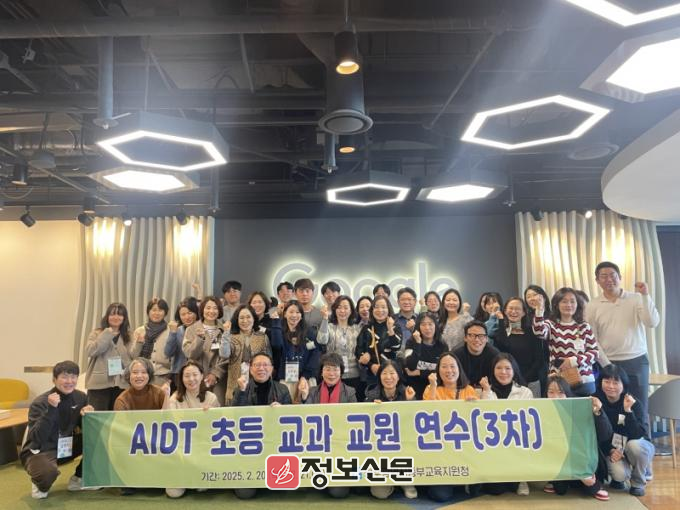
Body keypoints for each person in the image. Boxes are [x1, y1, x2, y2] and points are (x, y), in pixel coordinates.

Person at [586, 261, 660, 424]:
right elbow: (592, 339)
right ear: (597, 280)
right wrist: (607, 365)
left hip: (636, 361)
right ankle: (616, 440)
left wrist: (645, 295)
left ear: (619, 277)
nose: (608, 279)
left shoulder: (636, 298)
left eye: (612, 275)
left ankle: (641, 439)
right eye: (603, 276)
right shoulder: (592, 305)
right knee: (613, 407)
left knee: (638, 404)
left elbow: (652, 322)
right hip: (609, 362)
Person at [21, 361, 95, 499]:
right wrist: (51, 409)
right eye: (64, 377)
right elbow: (37, 437)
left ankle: (78, 478)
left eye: (73, 377)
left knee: (99, 440)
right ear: (54, 379)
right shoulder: (40, 402)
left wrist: (88, 416)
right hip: (41, 450)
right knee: (47, 473)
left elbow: (85, 429)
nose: (69, 381)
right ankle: (40, 484)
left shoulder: (81, 397)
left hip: (65, 446)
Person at [232, 352, 292, 500]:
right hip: (249, 446)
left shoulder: (282, 389)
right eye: (257, 365)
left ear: (272, 369)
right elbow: (235, 417)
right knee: (244, 493)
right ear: (251, 369)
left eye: (265, 365)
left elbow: (292, 422)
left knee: (282, 487)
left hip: (274, 444)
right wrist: (242, 392)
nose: (261, 368)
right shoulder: (241, 388)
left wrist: (282, 411)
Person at [543, 375, 611, 501]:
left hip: (583, 457)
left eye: (560, 392)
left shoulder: (581, 407)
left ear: (567, 393)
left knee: (589, 486)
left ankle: (589, 481)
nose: (555, 396)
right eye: (551, 392)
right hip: (560, 458)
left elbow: (605, 434)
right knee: (560, 490)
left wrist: (598, 411)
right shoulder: (543, 410)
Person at [595, 364, 654, 497]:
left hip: (635, 444)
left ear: (623, 385)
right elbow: (596, 433)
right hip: (613, 448)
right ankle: (619, 479)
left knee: (635, 446)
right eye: (607, 381)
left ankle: (638, 482)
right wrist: (610, 450)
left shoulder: (633, 402)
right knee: (620, 474)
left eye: (616, 382)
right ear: (600, 382)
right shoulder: (596, 401)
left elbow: (638, 434)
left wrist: (628, 411)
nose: (611, 386)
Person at [114, 357, 169, 495]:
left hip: (157, 441)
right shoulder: (122, 399)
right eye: (135, 372)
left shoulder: (159, 393)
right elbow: (121, 429)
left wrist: (167, 396)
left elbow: (168, 419)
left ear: (149, 375)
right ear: (129, 376)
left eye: (143, 372)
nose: (139, 376)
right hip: (133, 442)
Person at [364, 360, 417, 500]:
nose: (388, 377)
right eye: (384, 373)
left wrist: (410, 401)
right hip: (380, 449)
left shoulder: (408, 392)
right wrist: (372, 409)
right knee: (379, 494)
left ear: (399, 376)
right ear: (379, 376)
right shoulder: (371, 395)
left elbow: (415, 422)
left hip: (404, 446)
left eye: (392, 373)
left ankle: (405, 481)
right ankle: (392, 483)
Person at [165, 361, 219, 498]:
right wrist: (165, 397)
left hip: (204, 448)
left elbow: (219, 425)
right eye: (187, 376)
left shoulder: (211, 398)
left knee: (201, 487)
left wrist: (211, 414)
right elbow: (167, 422)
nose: (191, 379)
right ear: (182, 379)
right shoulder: (174, 398)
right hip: (181, 449)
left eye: (195, 374)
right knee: (173, 493)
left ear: (202, 376)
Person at [532, 287, 599, 396]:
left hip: (584, 380)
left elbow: (595, 353)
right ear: (557, 304)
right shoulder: (551, 324)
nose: (569, 305)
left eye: (572, 301)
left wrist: (573, 361)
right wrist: (539, 310)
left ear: (577, 304)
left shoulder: (584, 326)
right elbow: (539, 331)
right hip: (559, 381)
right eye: (564, 301)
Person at [482, 353, 533, 496]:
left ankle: (522, 479)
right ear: (493, 370)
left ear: (514, 370)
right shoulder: (485, 390)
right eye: (499, 368)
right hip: (493, 442)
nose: (503, 372)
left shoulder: (525, 392)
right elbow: (482, 416)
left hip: (516, 440)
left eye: (507, 368)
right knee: (496, 490)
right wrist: (486, 391)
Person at [270, 300, 327, 400]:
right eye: (291, 312)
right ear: (285, 314)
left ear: (301, 315)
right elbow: (276, 345)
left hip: (307, 378)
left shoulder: (310, 332)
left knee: (307, 405)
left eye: (297, 312)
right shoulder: (279, 330)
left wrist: (305, 376)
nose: (294, 315)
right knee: (286, 406)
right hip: (285, 378)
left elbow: (316, 354)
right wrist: (276, 320)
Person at [220, 304, 272, 405]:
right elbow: (224, 354)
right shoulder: (231, 336)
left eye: (248, 317)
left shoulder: (262, 337)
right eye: (241, 318)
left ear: (254, 319)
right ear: (237, 320)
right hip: (235, 384)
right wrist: (226, 333)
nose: (245, 321)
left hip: (258, 386)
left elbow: (269, 362)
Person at [84, 302, 132, 410]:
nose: (116, 317)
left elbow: (130, 359)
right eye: (112, 314)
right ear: (107, 316)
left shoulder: (128, 336)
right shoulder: (97, 333)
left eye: (119, 314)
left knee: (118, 417)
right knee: (98, 417)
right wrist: (107, 334)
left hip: (121, 384)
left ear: (124, 318)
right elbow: (90, 351)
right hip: (99, 385)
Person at [494, 297, 545, 397]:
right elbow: (502, 349)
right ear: (505, 311)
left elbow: (539, 359)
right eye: (510, 308)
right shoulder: (500, 332)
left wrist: (523, 379)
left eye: (517, 309)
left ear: (524, 313)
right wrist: (501, 320)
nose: (513, 311)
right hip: (507, 381)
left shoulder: (532, 331)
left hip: (531, 381)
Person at [182, 296, 228, 405]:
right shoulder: (191, 329)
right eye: (208, 308)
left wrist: (215, 374)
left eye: (215, 308)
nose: (211, 311)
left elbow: (227, 356)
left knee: (218, 408)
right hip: (197, 378)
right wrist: (199, 339)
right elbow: (190, 354)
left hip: (219, 380)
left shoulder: (224, 329)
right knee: (197, 408)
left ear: (219, 310)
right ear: (202, 309)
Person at [355, 295, 402, 387]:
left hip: (391, 373)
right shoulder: (367, 328)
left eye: (383, 307)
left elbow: (396, 347)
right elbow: (358, 351)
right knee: (373, 394)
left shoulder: (395, 327)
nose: (380, 310)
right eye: (376, 307)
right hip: (372, 374)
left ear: (389, 309)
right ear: (372, 310)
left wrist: (390, 330)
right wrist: (370, 365)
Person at [326, 295, 365, 401]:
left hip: (354, 374)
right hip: (333, 374)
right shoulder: (329, 327)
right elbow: (321, 340)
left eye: (346, 307)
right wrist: (324, 319)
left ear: (351, 310)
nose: (342, 311)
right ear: (334, 310)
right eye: (339, 307)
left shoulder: (357, 328)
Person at [403, 312, 447, 398]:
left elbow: (443, 372)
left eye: (430, 324)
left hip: (436, 390)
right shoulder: (411, 342)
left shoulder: (442, 345)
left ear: (435, 326)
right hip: (414, 391)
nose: (427, 328)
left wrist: (420, 372)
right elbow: (411, 367)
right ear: (418, 327)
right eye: (423, 324)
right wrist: (418, 343)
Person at [131, 297, 172, 387]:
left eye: (160, 310)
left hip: (163, 376)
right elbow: (134, 356)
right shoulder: (140, 330)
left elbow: (174, 355)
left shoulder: (170, 331)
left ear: (165, 312)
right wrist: (139, 343)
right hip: (142, 376)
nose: (156, 313)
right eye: (154, 310)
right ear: (148, 312)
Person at [164, 297, 199, 393]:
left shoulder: (201, 330)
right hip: (178, 374)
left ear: (196, 312)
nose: (187, 317)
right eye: (183, 314)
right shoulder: (178, 330)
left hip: (198, 374)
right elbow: (168, 353)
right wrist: (172, 333)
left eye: (190, 313)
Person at [454, 320, 500, 387]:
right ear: (465, 338)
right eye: (472, 335)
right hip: (463, 390)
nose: (477, 340)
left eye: (481, 336)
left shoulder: (495, 355)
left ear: (486, 338)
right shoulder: (456, 355)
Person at [395, 287, 417, 358]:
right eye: (403, 299)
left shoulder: (421, 319)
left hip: (418, 358)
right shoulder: (392, 320)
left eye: (409, 299)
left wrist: (413, 329)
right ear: (398, 302)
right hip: (396, 359)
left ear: (415, 301)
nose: (406, 302)